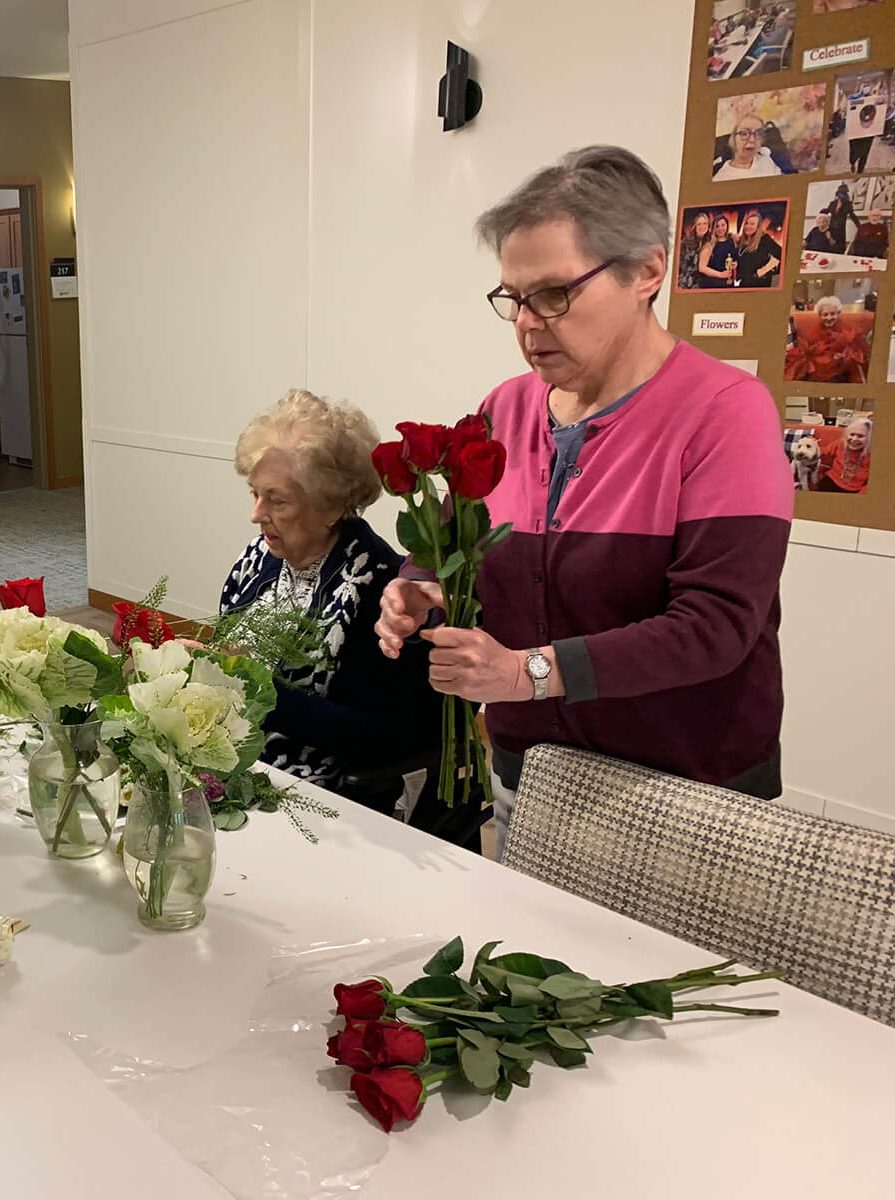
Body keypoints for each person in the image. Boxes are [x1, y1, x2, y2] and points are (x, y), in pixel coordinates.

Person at [376, 145, 793, 858]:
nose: (528, 324)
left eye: (554, 294)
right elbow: (448, 543)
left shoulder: (726, 412)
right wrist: (416, 588)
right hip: (535, 775)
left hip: (683, 791)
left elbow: (714, 626)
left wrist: (526, 673)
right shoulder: (505, 410)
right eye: (512, 297)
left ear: (648, 272)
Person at [220, 390, 462, 840]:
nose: (257, 515)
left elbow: (378, 738)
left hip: (327, 799)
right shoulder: (257, 560)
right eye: (255, 494)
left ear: (332, 506)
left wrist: (259, 691)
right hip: (239, 758)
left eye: (277, 500)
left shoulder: (381, 590)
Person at [785, 295, 869, 383]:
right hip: (817, 371)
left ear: (838, 313)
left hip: (838, 372)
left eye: (833, 314)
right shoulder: (813, 333)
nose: (829, 318)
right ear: (820, 316)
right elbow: (807, 353)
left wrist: (844, 357)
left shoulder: (847, 329)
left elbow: (854, 353)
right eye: (825, 314)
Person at [714, 115, 785, 179]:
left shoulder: (766, 159)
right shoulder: (722, 177)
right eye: (744, 133)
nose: (752, 139)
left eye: (758, 133)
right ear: (733, 139)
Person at [818, 415, 873, 493]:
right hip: (831, 481)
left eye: (860, 436)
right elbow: (823, 451)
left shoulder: (872, 454)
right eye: (852, 434)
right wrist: (811, 447)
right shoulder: (841, 443)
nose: (854, 439)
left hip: (854, 490)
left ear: (869, 438)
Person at [734, 210, 782, 288]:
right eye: (747, 223)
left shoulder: (764, 239)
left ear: (758, 227)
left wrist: (762, 271)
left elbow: (782, 254)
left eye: (752, 224)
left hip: (758, 283)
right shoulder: (743, 241)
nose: (748, 226)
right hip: (744, 283)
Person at [698, 214, 738, 287]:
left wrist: (735, 264)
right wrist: (720, 275)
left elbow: (734, 258)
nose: (720, 229)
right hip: (713, 283)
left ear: (727, 225)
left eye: (723, 225)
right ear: (713, 228)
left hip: (728, 281)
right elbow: (701, 268)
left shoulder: (731, 240)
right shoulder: (709, 244)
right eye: (717, 226)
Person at [676, 212, 712, 290]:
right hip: (686, 281)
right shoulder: (685, 242)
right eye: (699, 224)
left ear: (708, 226)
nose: (702, 226)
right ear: (695, 226)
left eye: (704, 223)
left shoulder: (709, 241)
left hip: (702, 282)